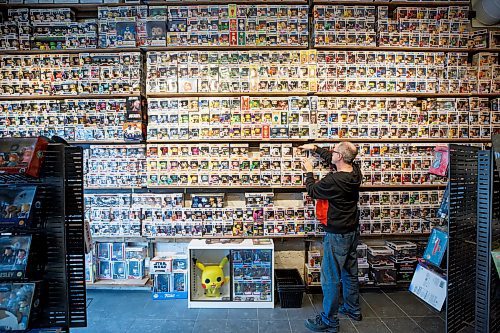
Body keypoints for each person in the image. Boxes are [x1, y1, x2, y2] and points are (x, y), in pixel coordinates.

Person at [299, 142, 363, 333]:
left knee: (330, 278)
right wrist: (316, 148)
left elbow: (313, 191)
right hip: (352, 230)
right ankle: (353, 309)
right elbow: (334, 158)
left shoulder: (334, 181)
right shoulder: (355, 171)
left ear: (340, 157)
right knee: (350, 273)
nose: (331, 153)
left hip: (337, 234)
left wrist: (309, 171)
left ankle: (329, 321)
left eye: (334, 151)